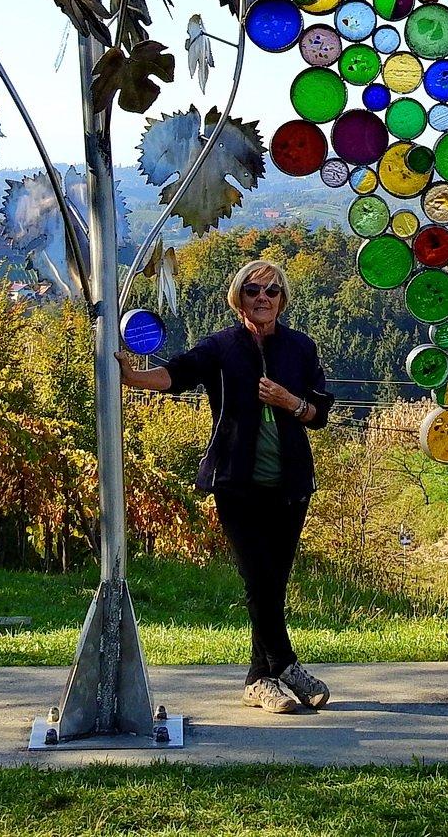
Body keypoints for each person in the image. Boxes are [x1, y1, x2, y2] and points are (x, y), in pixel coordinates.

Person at [118, 258, 335, 713]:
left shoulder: (300, 348)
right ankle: (287, 665)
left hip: (291, 484)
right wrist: (132, 376)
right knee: (257, 578)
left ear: (282, 300)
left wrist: (290, 402)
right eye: (254, 290)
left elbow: (318, 413)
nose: (263, 297)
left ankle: (260, 680)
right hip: (236, 482)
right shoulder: (221, 347)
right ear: (239, 296)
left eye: (272, 291)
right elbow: (175, 375)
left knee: (274, 581)